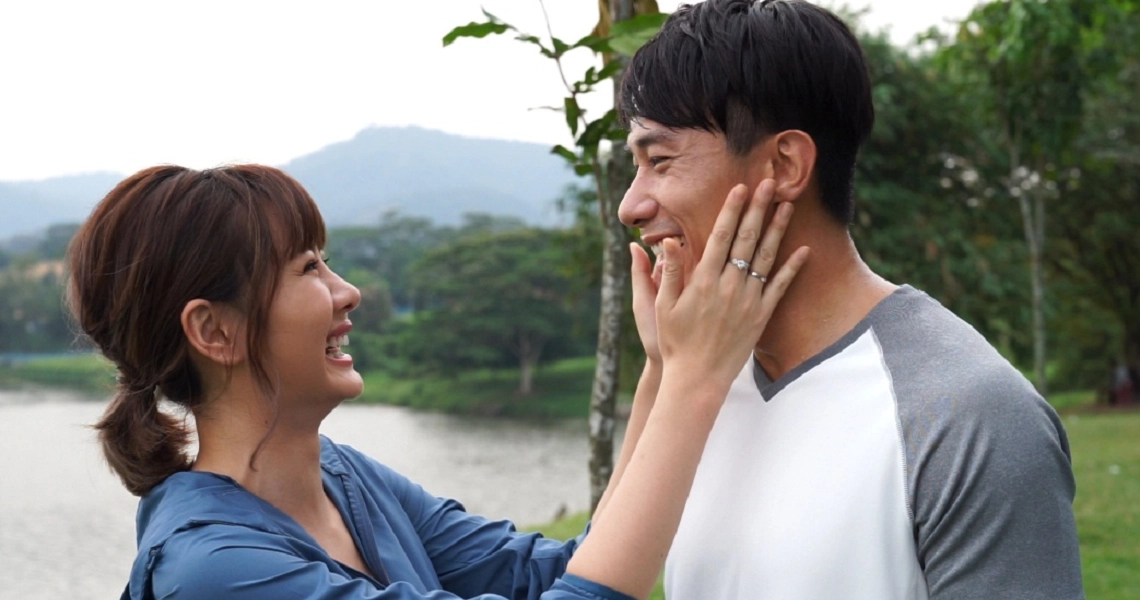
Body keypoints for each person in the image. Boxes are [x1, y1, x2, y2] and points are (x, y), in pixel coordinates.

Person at [67, 164, 807, 600]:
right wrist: (695, 383)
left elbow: (558, 568)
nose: (347, 291)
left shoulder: (345, 479)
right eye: (307, 270)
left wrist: (662, 369)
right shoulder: (213, 571)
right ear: (215, 332)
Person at [613, 1, 1084, 599]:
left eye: (660, 161)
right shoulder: (693, 387)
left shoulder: (967, 415)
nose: (632, 206)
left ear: (784, 165)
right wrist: (663, 371)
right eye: (636, 166)